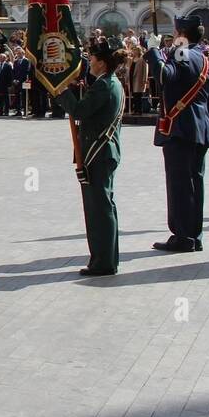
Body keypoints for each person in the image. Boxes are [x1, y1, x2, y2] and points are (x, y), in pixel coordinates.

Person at [146, 15, 209, 253]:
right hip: (200, 128)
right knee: (195, 183)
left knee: (179, 184)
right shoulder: (205, 58)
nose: (175, 37)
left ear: (182, 35)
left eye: (176, 33)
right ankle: (194, 235)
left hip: (181, 128)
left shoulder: (182, 52)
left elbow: (165, 77)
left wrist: (154, 51)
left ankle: (182, 237)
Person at [57, 38, 126, 275]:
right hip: (104, 152)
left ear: (102, 63)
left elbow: (79, 111)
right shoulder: (110, 82)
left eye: (93, 59)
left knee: (99, 208)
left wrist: (61, 91)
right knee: (104, 206)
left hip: (98, 152)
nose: (89, 62)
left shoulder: (104, 85)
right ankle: (106, 258)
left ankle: (103, 262)